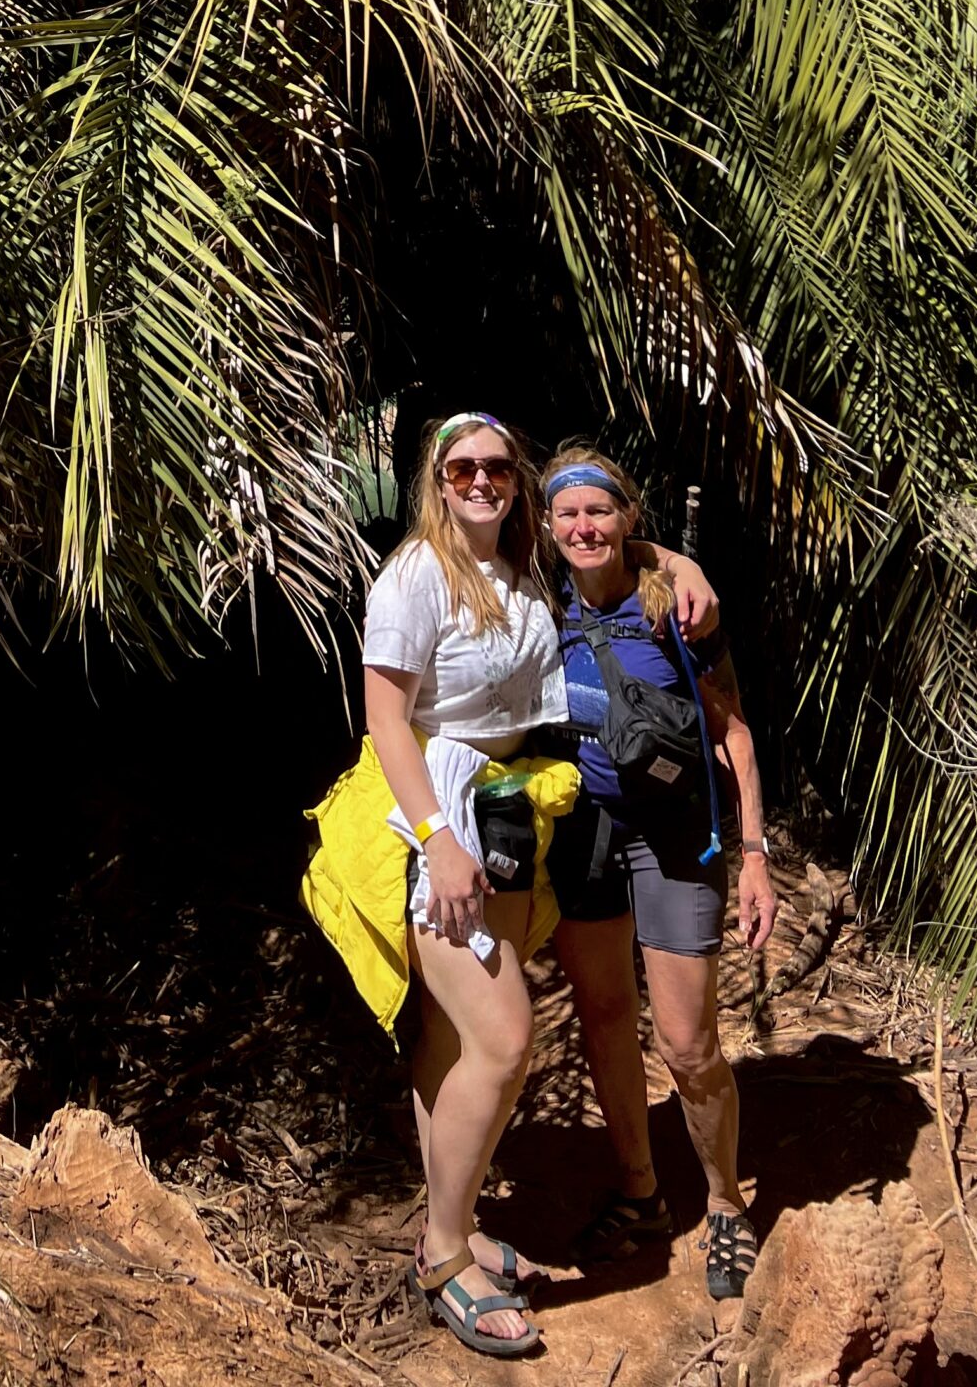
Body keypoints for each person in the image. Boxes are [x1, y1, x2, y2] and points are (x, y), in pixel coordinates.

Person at [361, 412, 719, 1357]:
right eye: (461, 468)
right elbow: (389, 721)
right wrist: (438, 840)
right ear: (436, 481)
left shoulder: (525, 566)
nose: (480, 480)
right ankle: (444, 1257)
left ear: (516, 484)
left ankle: (458, 1217)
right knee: (504, 1033)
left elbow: (610, 540)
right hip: (439, 815)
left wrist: (682, 565)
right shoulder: (415, 578)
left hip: (518, 813)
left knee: (448, 1038)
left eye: (496, 468)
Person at [538, 446, 778, 1304]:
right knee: (605, 1017)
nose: (583, 527)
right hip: (585, 835)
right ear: (549, 524)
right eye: (567, 514)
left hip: (675, 837)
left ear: (628, 519)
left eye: (599, 512)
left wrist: (754, 855)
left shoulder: (674, 606)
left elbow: (735, 734)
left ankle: (725, 1204)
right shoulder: (539, 600)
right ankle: (639, 1192)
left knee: (686, 1044)